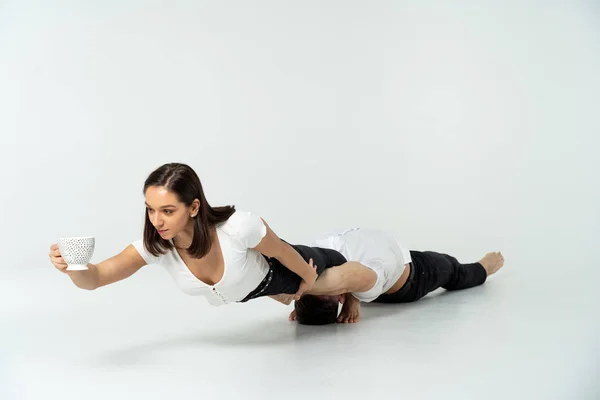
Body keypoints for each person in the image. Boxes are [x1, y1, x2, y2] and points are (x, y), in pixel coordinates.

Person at [48, 163, 347, 306]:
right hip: (261, 288)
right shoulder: (157, 247)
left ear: (193, 207)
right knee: (317, 314)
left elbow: (281, 251)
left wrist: (307, 279)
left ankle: (366, 290)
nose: (156, 221)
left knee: (337, 260)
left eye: (167, 211)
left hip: (288, 270)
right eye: (150, 210)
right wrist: (73, 267)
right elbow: (96, 278)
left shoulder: (239, 226)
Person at [289, 228, 504, 325]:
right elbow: (351, 277)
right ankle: (484, 267)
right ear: (341, 297)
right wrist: (354, 297)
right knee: (454, 271)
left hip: (393, 263)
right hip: (415, 276)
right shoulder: (368, 275)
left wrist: (298, 295)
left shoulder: (314, 261)